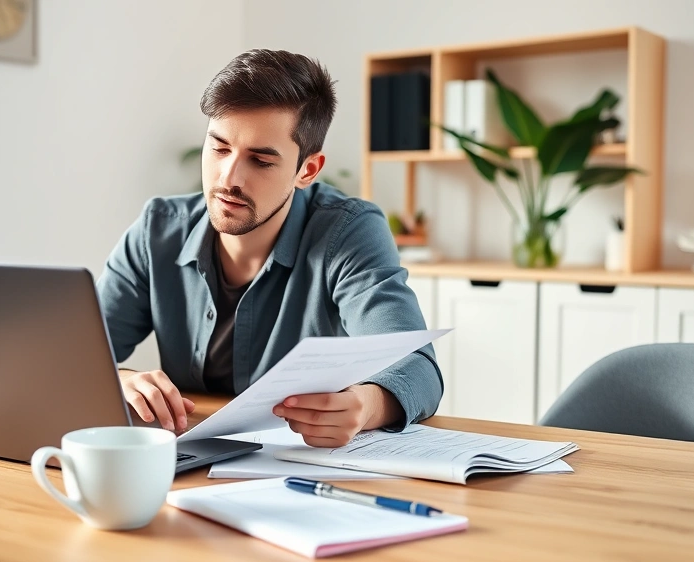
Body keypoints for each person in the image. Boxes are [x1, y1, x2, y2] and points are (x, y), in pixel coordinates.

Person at [97, 49, 442, 448]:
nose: (228, 178)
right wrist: (121, 380)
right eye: (219, 148)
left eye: (260, 161)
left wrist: (366, 404)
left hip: (297, 470)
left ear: (306, 170)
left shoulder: (348, 231)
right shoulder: (157, 229)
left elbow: (418, 368)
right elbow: (78, 353)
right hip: (185, 463)